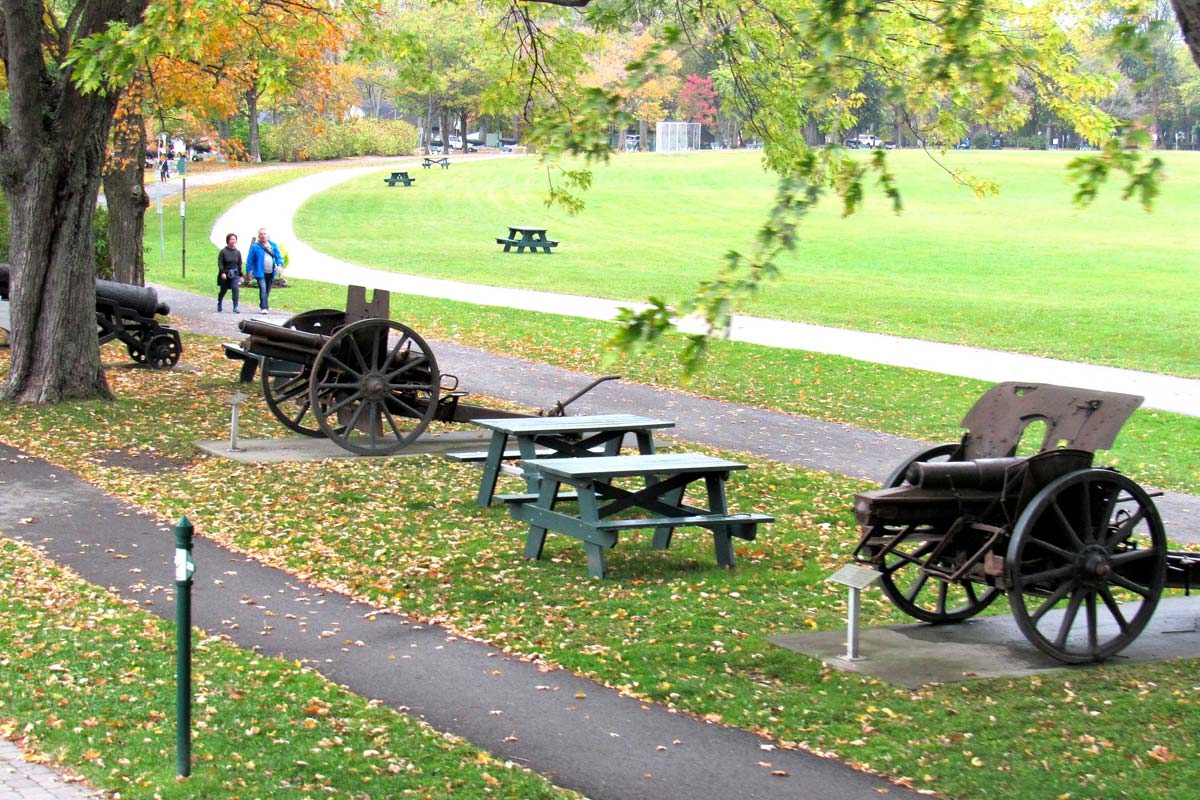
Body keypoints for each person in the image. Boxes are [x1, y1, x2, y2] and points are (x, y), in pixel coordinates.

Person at [246, 227, 284, 312]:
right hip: (260, 272)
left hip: (271, 272)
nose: (263, 235)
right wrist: (249, 271)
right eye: (261, 234)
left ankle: (263, 303)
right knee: (263, 288)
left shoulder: (273, 245)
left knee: (267, 290)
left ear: (267, 235)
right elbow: (250, 260)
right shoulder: (255, 247)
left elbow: (278, 257)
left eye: (264, 234)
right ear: (259, 236)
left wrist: (280, 265)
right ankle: (264, 307)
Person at [216, 233, 243, 313]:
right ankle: (219, 301)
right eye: (231, 239)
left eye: (234, 239)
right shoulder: (223, 251)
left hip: (234, 274)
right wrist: (222, 272)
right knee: (223, 290)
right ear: (228, 240)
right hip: (225, 273)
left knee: (235, 288)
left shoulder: (237, 252)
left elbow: (239, 264)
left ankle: (235, 306)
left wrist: (241, 275)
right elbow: (220, 263)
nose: (233, 241)